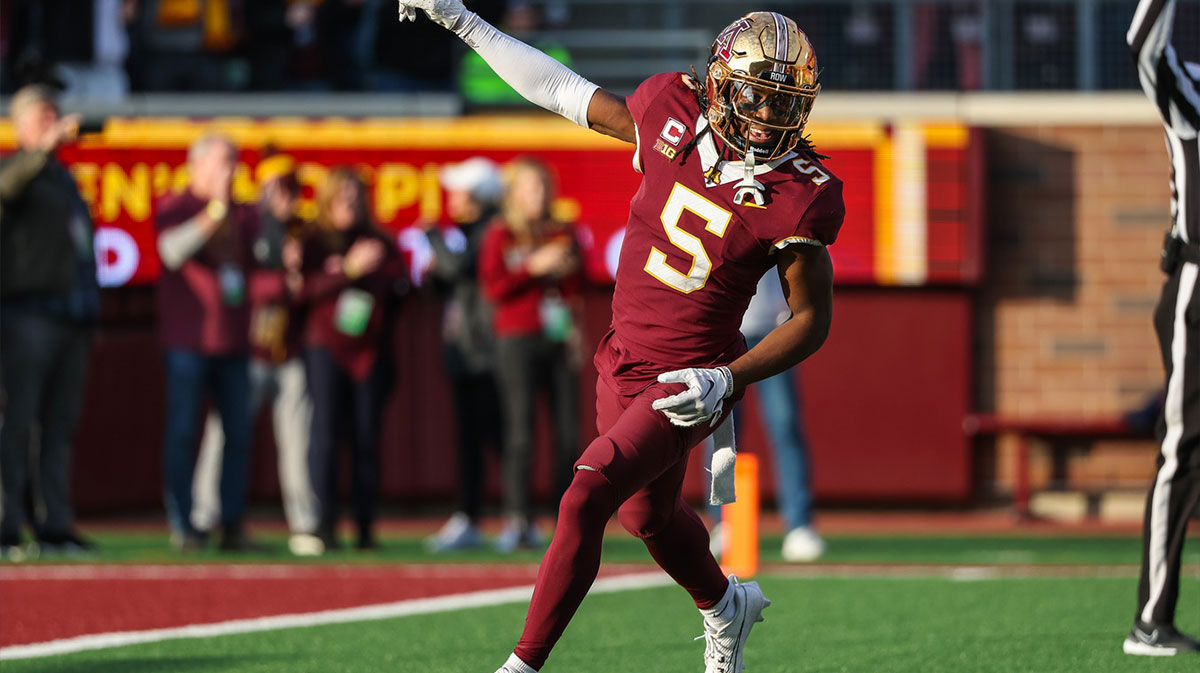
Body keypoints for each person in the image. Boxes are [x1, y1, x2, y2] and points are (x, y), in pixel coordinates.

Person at [398, 5, 844, 673]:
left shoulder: (798, 193)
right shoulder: (669, 110)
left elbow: (812, 318)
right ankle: (726, 604)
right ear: (721, 82)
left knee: (586, 491)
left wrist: (730, 379)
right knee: (651, 518)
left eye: (784, 104)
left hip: (691, 379)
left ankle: (521, 664)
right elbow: (560, 90)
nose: (764, 118)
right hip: (621, 357)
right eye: (754, 96)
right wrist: (464, 22)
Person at [189, 154, 324, 557]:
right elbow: (239, 281)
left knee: (297, 441)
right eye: (279, 187)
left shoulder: (303, 231)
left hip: (288, 347)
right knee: (225, 435)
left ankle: (304, 522)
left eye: (292, 188)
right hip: (249, 347)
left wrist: (300, 277)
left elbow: (317, 286)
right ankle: (203, 515)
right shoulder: (247, 224)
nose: (287, 197)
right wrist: (281, 280)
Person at [1124, 0, 1200, 657]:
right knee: (1184, 446)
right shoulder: (1191, 88)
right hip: (1197, 284)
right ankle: (1152, 619)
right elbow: (1143, 44)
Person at [0, 84, 100, 558]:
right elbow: (7, 187)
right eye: (42, 115)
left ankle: (54, 523)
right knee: (17, 421)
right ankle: (7, 522)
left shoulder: (63, 179)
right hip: (29, 313)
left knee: (60, 424)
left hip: (70, 317)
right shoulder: (17, 167)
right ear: (19, 123)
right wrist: (41, 148)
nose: (54, 121)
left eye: (55, 113)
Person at [156, 133, 257, 552]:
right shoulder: (176, 205)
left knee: (237, 435)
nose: (230, 171)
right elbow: (172, 252)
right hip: (188, 343)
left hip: (234, 342)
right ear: (196, 166)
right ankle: (184, 522)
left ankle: (231, 523)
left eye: (234, 162)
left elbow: (260, 266)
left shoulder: (246, 213)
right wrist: (215, 210)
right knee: (183, 432)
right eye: (222, 162)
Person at [296, 166, 406, 551]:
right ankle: (324, 523)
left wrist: (379, 273)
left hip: (370, 351)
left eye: (356, 196)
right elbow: (301, 291)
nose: (349, 204)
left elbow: (400, 286)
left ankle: (364, 526)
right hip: (325, 348)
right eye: (341, 196)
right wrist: (347, 270)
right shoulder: (313, 241)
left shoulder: (380, 241)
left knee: (366, 437)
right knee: (324, 435)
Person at [480, 156, 583, 553]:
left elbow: (575, 286)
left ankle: (565, 521)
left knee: (567, 433)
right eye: (530, 189)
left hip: (556, 337)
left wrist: (575, 331)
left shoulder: (561, 231)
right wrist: (534, 267)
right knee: (520, 432)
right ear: (514, 194)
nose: (538, 196)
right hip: (517, 340)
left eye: (542, 188)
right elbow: (495, 289)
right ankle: (517, 518)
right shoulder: (500, 234)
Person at [422, 157, 506, 553]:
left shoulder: (491, 228)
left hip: (486, 351)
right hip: (465, 349)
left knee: (499, 437)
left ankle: (518, 518)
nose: (451, 200)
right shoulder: (468, 232)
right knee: (471, 439)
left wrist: (433, 238)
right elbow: (449, 280)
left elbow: (462, 269)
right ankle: (469, 516)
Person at [709, 274, 825, 563]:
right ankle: (725, 523)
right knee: (722, 430)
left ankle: (799, 525)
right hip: (722, 332)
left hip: (773, 331)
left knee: (784, 423)